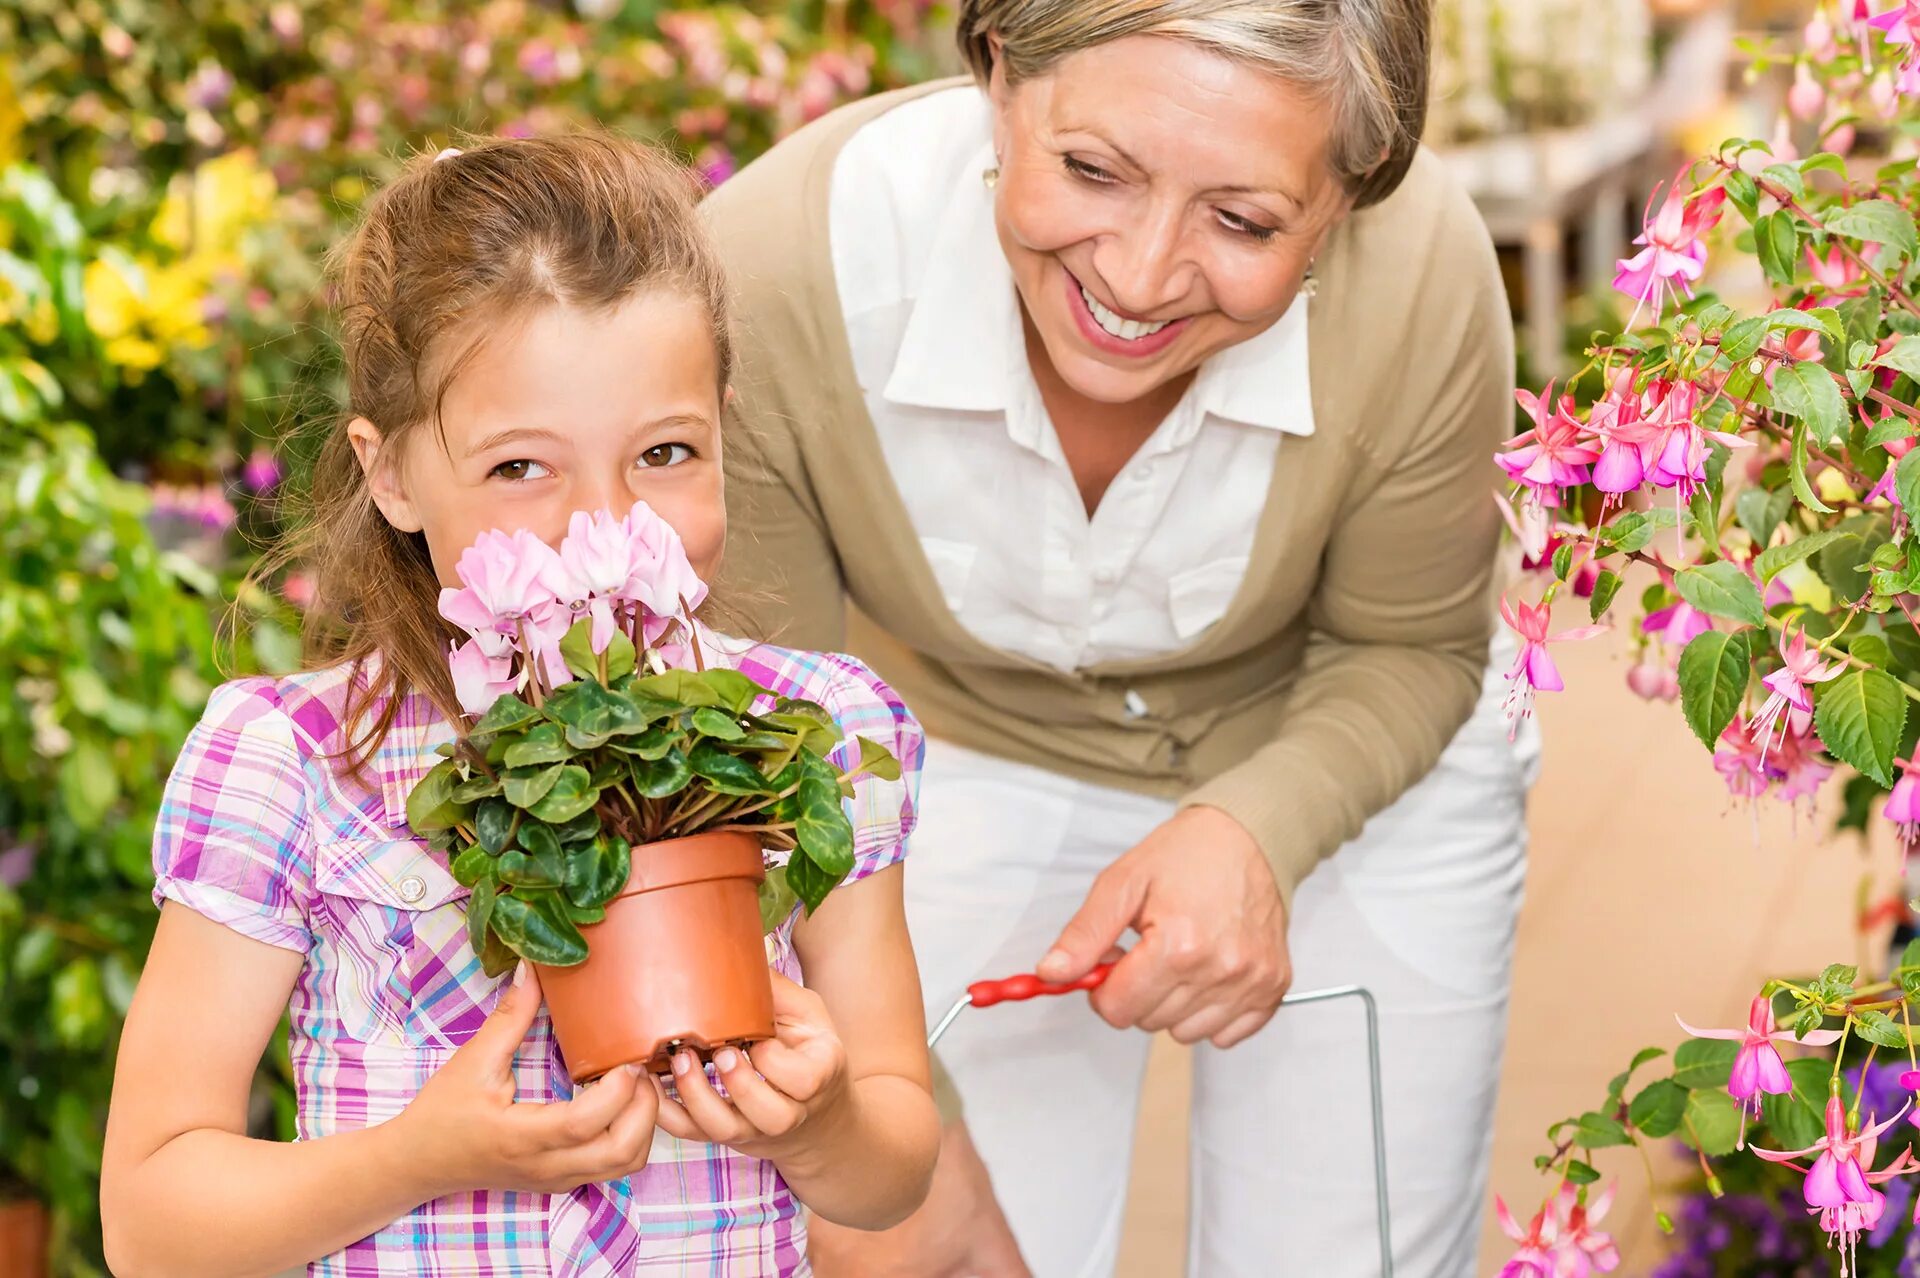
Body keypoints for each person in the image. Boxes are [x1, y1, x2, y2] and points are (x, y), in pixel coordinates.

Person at [705, 1, 1540, 1273]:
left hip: (1357, 754)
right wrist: (898, 1127)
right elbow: (767, 758)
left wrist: (1258, 826)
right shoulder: (773, 275)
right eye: (1092, 171)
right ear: (997, 76)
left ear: (1349, 198)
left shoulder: (1422, 276)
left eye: (1245, 221)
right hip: (949, 760)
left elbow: (1410, 650)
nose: (1140, 278)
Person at [99, 133, 938, 1277]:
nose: (604, 526)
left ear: (725, 426)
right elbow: (151, 1224)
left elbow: (894, 1163)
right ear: (389, 472)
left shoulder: (817, 736)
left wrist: (824, 1119)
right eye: (519, 468)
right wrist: (419, 1157)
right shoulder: (291, 761)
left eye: (665, 450)